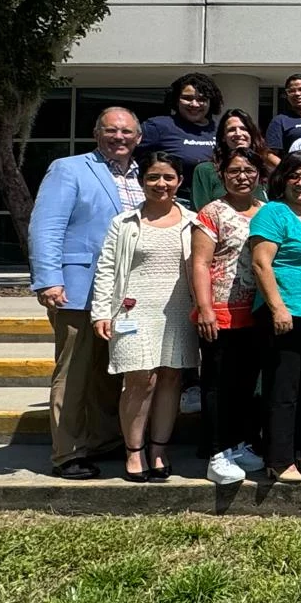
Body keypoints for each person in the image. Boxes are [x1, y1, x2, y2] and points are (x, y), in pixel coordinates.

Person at [28, 107, 140, 480]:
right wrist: (48, 279)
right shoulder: (70, 168)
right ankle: (68, 452)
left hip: (123, 293)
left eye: (127, 132)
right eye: (111, 130)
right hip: (76, 287)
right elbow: (46, 226)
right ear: (97, 133)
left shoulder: (143, 177)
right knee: (74, 373)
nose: (119, 138)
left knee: (108, 372)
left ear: (138, 138)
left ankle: (104, 440)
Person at [91, 153, 196, 483]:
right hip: (132, 310)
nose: (160, 184)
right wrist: (101, 312)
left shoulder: (193, 222)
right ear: (141, 182)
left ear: (179, 181)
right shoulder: (124, 223)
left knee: (169, 378)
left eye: (167, 177)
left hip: (178, 311)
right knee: (140, 379)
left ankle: (158, 449)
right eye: (152, 177)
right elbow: (106, 268)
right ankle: (133, 451)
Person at [248, 152, 301, 483]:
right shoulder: (273, 212)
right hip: (284, 311)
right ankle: (279, 458)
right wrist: (278, 307)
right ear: (283, 178)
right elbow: (260, 264)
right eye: (295, 175)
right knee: (284, 387)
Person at [192, 147, 268, 485]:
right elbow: (198, 263)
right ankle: (216, 452)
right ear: (222, 175)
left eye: (249, 170)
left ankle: (238, 444)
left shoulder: (267, 212)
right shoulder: (212, 212)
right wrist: (205, 307)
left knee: (245, 384)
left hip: (256, 312)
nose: (242, 176)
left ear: (259, 176)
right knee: (217, 383)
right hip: (220, 312)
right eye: (235, 170)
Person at [137, 71, 221, 170]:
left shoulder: (220, 131)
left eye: (202, 99)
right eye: (187, 98)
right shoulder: (157, 126)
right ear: (176, 100)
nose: (194, 104)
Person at [191, 109, 266, 210]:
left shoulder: (264, 169)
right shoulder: (205, 170)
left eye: (244, 129)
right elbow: (200, 214)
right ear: (223, 137)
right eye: (231, 130)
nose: (238, 133)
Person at [264, 73, 301, 165]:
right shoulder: (281, 120)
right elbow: (269, 155)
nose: (297, 94)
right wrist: (289, 171)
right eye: (291, 91)